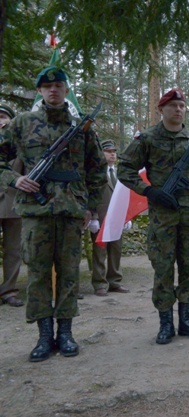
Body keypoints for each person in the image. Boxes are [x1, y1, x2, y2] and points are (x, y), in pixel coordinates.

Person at [0, 66, 107, 362]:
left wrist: (90, 206)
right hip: (35, 212)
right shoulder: (21, 123)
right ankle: (44, 336)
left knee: (70, 274)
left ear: (66, 89)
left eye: (59, 85)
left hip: (72, 212)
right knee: (37, 274)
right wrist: (14, 179)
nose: (53, 90)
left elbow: (97, 169)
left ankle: (66, 333)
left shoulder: (82, 128)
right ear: (39, 91)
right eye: (47, 87)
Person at [117, 88, 189, 345]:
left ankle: (188, 320)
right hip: (162, 216)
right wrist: (149, 191)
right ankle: (165, 323)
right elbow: (124, 169)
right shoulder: (146, 138)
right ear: (161, 110)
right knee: (162, 267)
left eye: (181, 106)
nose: (178, 110)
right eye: (173, 106)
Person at [87, 140, 130, 296]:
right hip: (101, 218)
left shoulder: (120, 173)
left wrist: (127, 217)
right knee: (100, 251)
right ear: (101, 153)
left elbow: (125, 196)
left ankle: (114, 281)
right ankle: (99, 283)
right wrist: (93, 217)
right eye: (108, 151)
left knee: (116, 251)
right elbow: (91, 194)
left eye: (114, 151)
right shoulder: (95, 172)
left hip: (117, 218)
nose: (112, 154)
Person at [0, 104, 24, 307]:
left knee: (13, 250)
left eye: (3, 117)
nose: (0, 121)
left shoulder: (19, 145)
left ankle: (9, 291)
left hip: (13, 202)